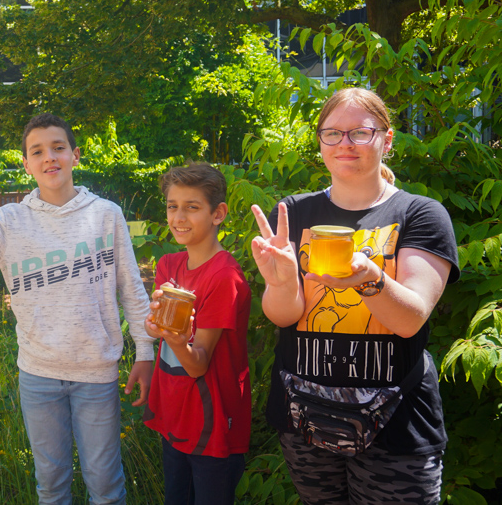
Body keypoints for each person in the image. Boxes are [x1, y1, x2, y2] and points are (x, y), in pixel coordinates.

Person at [0, 113, 153, 504]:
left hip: (96, 373)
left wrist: (145, 351)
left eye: (58, 148)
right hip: (38, 376)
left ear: (75, 155)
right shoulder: (10, 221)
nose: (50, 158)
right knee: (50, 485)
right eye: (38, 151)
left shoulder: (105, 214)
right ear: (26, 163)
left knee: (106, 486)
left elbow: (131, 288)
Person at [250, 88, 460, 504]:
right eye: (333, 133)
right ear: (320, 142)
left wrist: (369, 279)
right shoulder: (295, 212)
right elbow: (283, 316)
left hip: (396, 426)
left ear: (387, 138)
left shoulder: (421, 214)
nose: (345, 143)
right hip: (305, 417)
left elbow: (409, 319)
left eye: (360, 133)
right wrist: (281, 282)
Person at [143, 163, 251, 505]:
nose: (179, 217)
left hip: (211, 423)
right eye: (172, 206)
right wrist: (153, 328)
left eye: (192, 207)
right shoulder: (168, 265)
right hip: (175, 413)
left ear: (218, 213)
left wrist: (176, 339)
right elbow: (162, 328)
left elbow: (198, 363)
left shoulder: (224, 277)